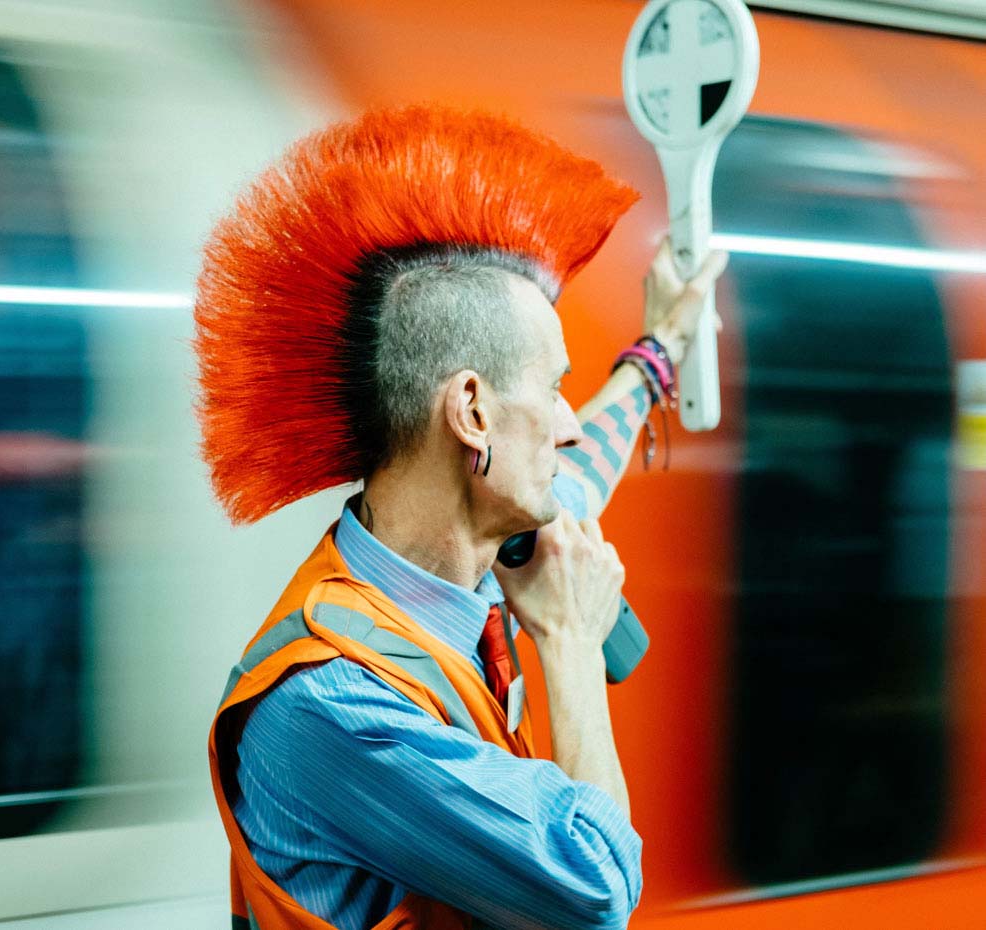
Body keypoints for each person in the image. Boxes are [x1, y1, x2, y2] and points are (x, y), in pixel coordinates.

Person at [197, 105, 726, 930]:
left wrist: (659, 350)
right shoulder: (332, 701)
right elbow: (593, 894)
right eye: (552, 389)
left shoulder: (477, 550)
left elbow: (581, 468)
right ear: (472, 412)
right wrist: (573, 643)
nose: (569, 421)